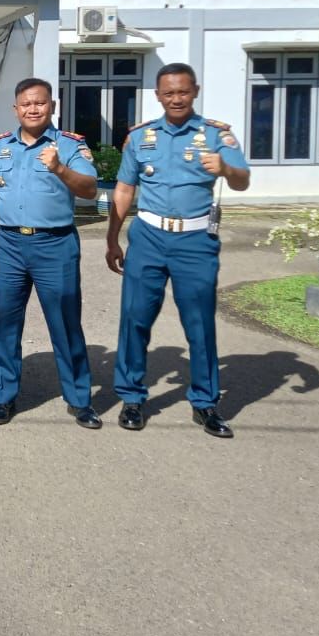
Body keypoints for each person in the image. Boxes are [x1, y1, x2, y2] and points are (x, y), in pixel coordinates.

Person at [105, 62, 250, 438]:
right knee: (135, 319)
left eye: (183, 92)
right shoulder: (141, 138)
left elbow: (242, 181)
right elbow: (124, 189)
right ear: (157, 96)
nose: (176, 99)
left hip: (195, 242)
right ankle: (132, 397)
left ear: (195, 91)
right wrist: (112, 237)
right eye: (168, 93)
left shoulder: (217, 137)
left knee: (199, 324)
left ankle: (205, 403)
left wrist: (225, 169)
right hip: (149, 237)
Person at [0, 77, 102, 430]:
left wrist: (59, 168)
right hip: (10, 244)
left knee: (65, 323)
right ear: (15, 109)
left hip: (55, 245)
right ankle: (2, 397)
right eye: (26, 103)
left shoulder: (68, 146)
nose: (33, 109)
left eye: (40, 103)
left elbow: (91, 190)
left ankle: (79, 400)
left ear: (52, 106)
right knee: (3, 321)